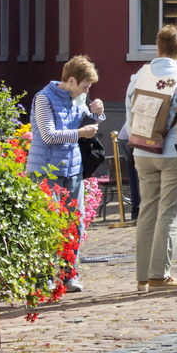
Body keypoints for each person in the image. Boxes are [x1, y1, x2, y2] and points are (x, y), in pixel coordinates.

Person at [121, 26, 177, 293]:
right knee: (170, 212)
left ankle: (142, 276)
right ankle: (159, 275)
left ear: (157, 46)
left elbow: (130, 113)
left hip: (142, 150)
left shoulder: (138, 75)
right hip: (174, 150)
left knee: (148, 210)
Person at [26, 55, 106, 287]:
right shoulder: (43, 99)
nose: (86, 91)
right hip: (45, 170)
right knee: (46, 223)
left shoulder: (78, 99)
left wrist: (98, 111)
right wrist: (81, 133)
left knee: (74, 223)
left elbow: (89, 119)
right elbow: (49, 135)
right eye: (85, 86)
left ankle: (70, 274)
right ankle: (43, 276)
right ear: (71, 81)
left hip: (73, 169)